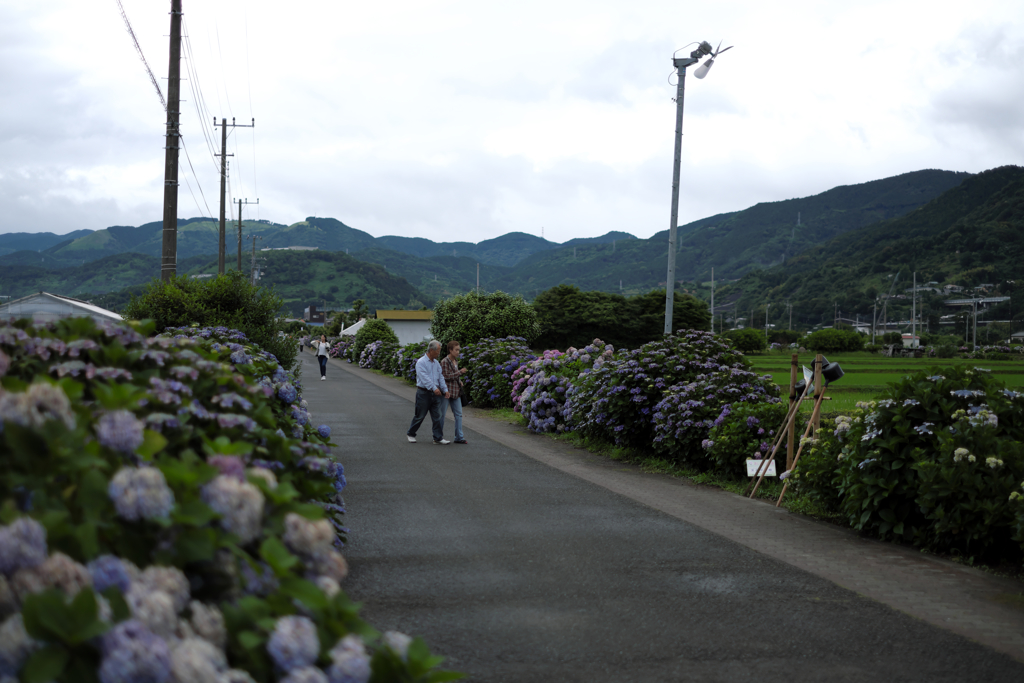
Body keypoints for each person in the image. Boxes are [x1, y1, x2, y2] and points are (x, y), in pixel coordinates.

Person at [407, 340, 449, 445]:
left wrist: (445, 390)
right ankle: (411, 434)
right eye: (438, 351)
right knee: (420, 415)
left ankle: (438, 438)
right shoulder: (421, 362)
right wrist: (434, 388)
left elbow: (441, 377)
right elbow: (425, 378)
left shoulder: (436, 364)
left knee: (438, 416)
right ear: (431, 350)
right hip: (424, 393)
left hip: (435, 394)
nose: (439, 353)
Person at [439, 340, 468, 444]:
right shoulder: (444, 362)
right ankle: (438, 436)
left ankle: (459, 437)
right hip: (446, 392)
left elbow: (454, 375)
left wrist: (459, 381)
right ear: (450, 350)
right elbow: (445, 376)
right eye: (456, 350)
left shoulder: (455, 361)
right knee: (442, 414)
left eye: (458, 350)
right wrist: (460, 372)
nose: (458, 352)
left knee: (459, 414)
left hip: (456, 391)